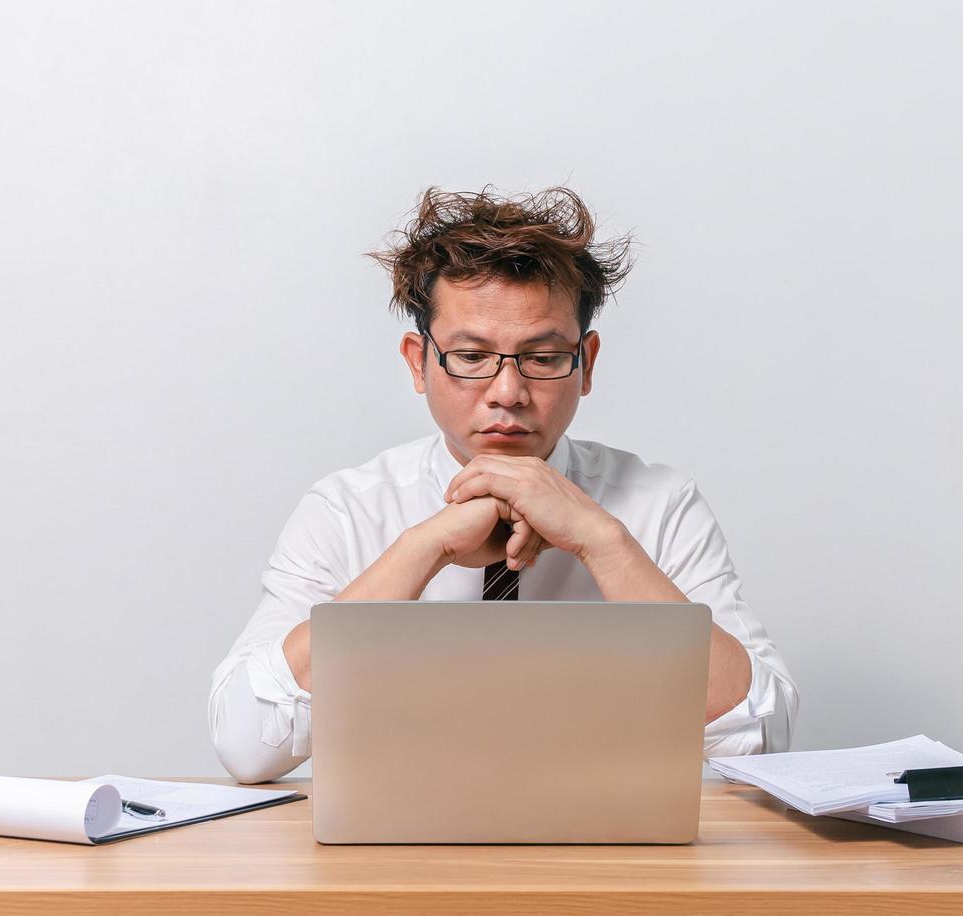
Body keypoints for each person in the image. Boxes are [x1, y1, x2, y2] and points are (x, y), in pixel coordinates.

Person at [209, 186, 798, 784]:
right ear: (419, 361)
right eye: (470, 356)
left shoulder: (660, 504)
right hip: (395, 862)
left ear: (586, 362)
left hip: (611, 857)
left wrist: (602, 542)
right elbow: (245, 745)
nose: (507, 391)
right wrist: (422, 549)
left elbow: (760, 740)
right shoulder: (347, 509)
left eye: (542, 358)